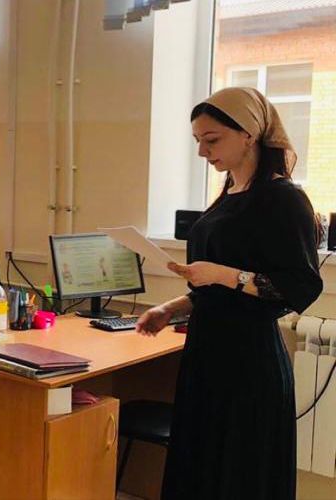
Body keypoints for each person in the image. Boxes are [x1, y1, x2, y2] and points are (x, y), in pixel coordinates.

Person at [136, 87, 323, 500]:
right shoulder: (228, 196)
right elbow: (214, 289)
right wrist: (171, 307)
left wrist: (225, 275)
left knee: (238, 475)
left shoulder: (284, 199)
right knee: (202, 469)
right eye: (197, 141)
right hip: (208, 355)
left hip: (248, 364)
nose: (202, 152)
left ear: (249, 134)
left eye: (212, 139)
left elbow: (299, 286)